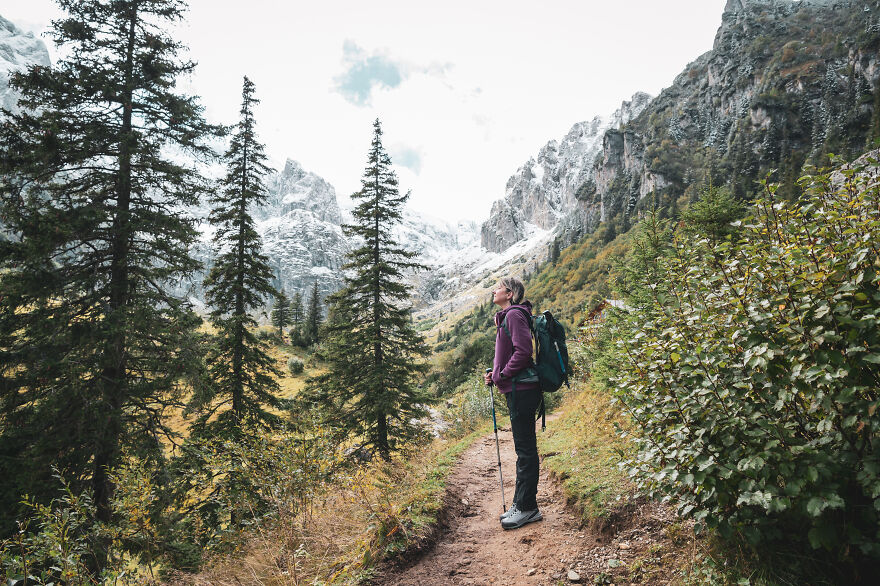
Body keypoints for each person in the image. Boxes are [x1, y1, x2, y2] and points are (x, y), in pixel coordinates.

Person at [483, 276, 543, 530]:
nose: (493, 291)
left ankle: (528, 508)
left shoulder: (515, 315)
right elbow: (510, 354)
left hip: (522, 389)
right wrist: (495, 374)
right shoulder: (509, 317)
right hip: (518, 388)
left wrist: (503, 374)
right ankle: (521, 503)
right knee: (523, 449)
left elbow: (523, 351)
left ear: (509, 294)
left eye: (498, 287)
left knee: (525, 451)